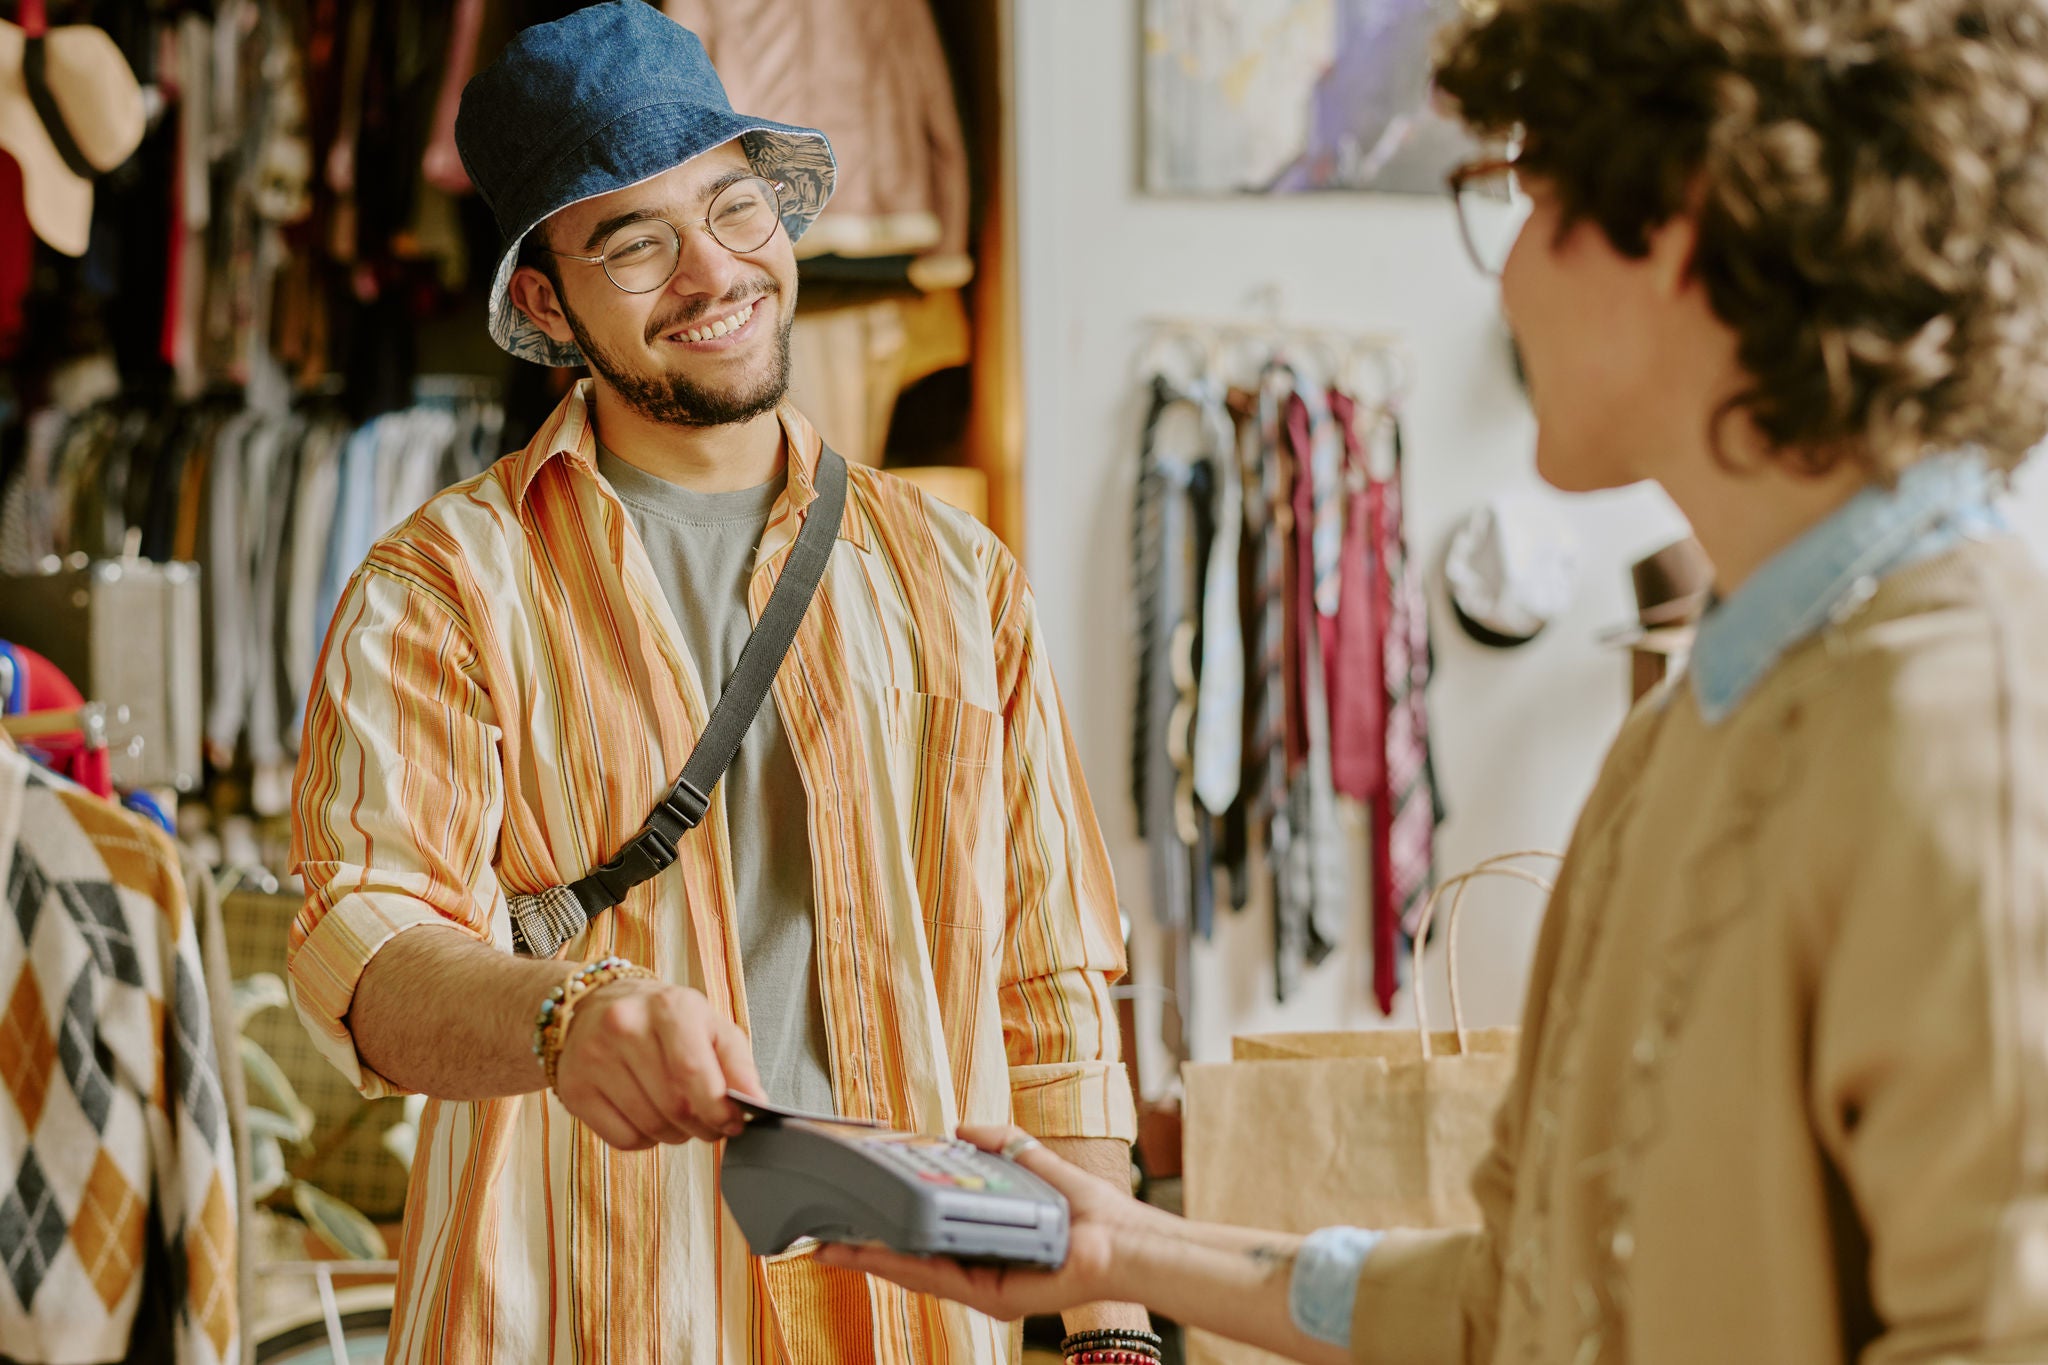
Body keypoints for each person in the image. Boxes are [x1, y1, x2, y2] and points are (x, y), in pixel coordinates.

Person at [825, 1, 2048, 1361]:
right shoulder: (1700, 720)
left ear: (1695, 215)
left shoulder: (1970, 730)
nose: (1509, 273)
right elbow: (1528, 1295)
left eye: (1529, 201)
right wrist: (1121, 1248)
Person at [285, 4, 1148, 1361]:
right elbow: (369, 946)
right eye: (633, 240)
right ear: (543, 300)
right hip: (579, 1315)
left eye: (731, 207)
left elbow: (1051, 989)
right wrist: (562, 1015)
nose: (710, 272)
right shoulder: (442, 583)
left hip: (912, 1317)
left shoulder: (961, 580)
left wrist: (1112, 1331)